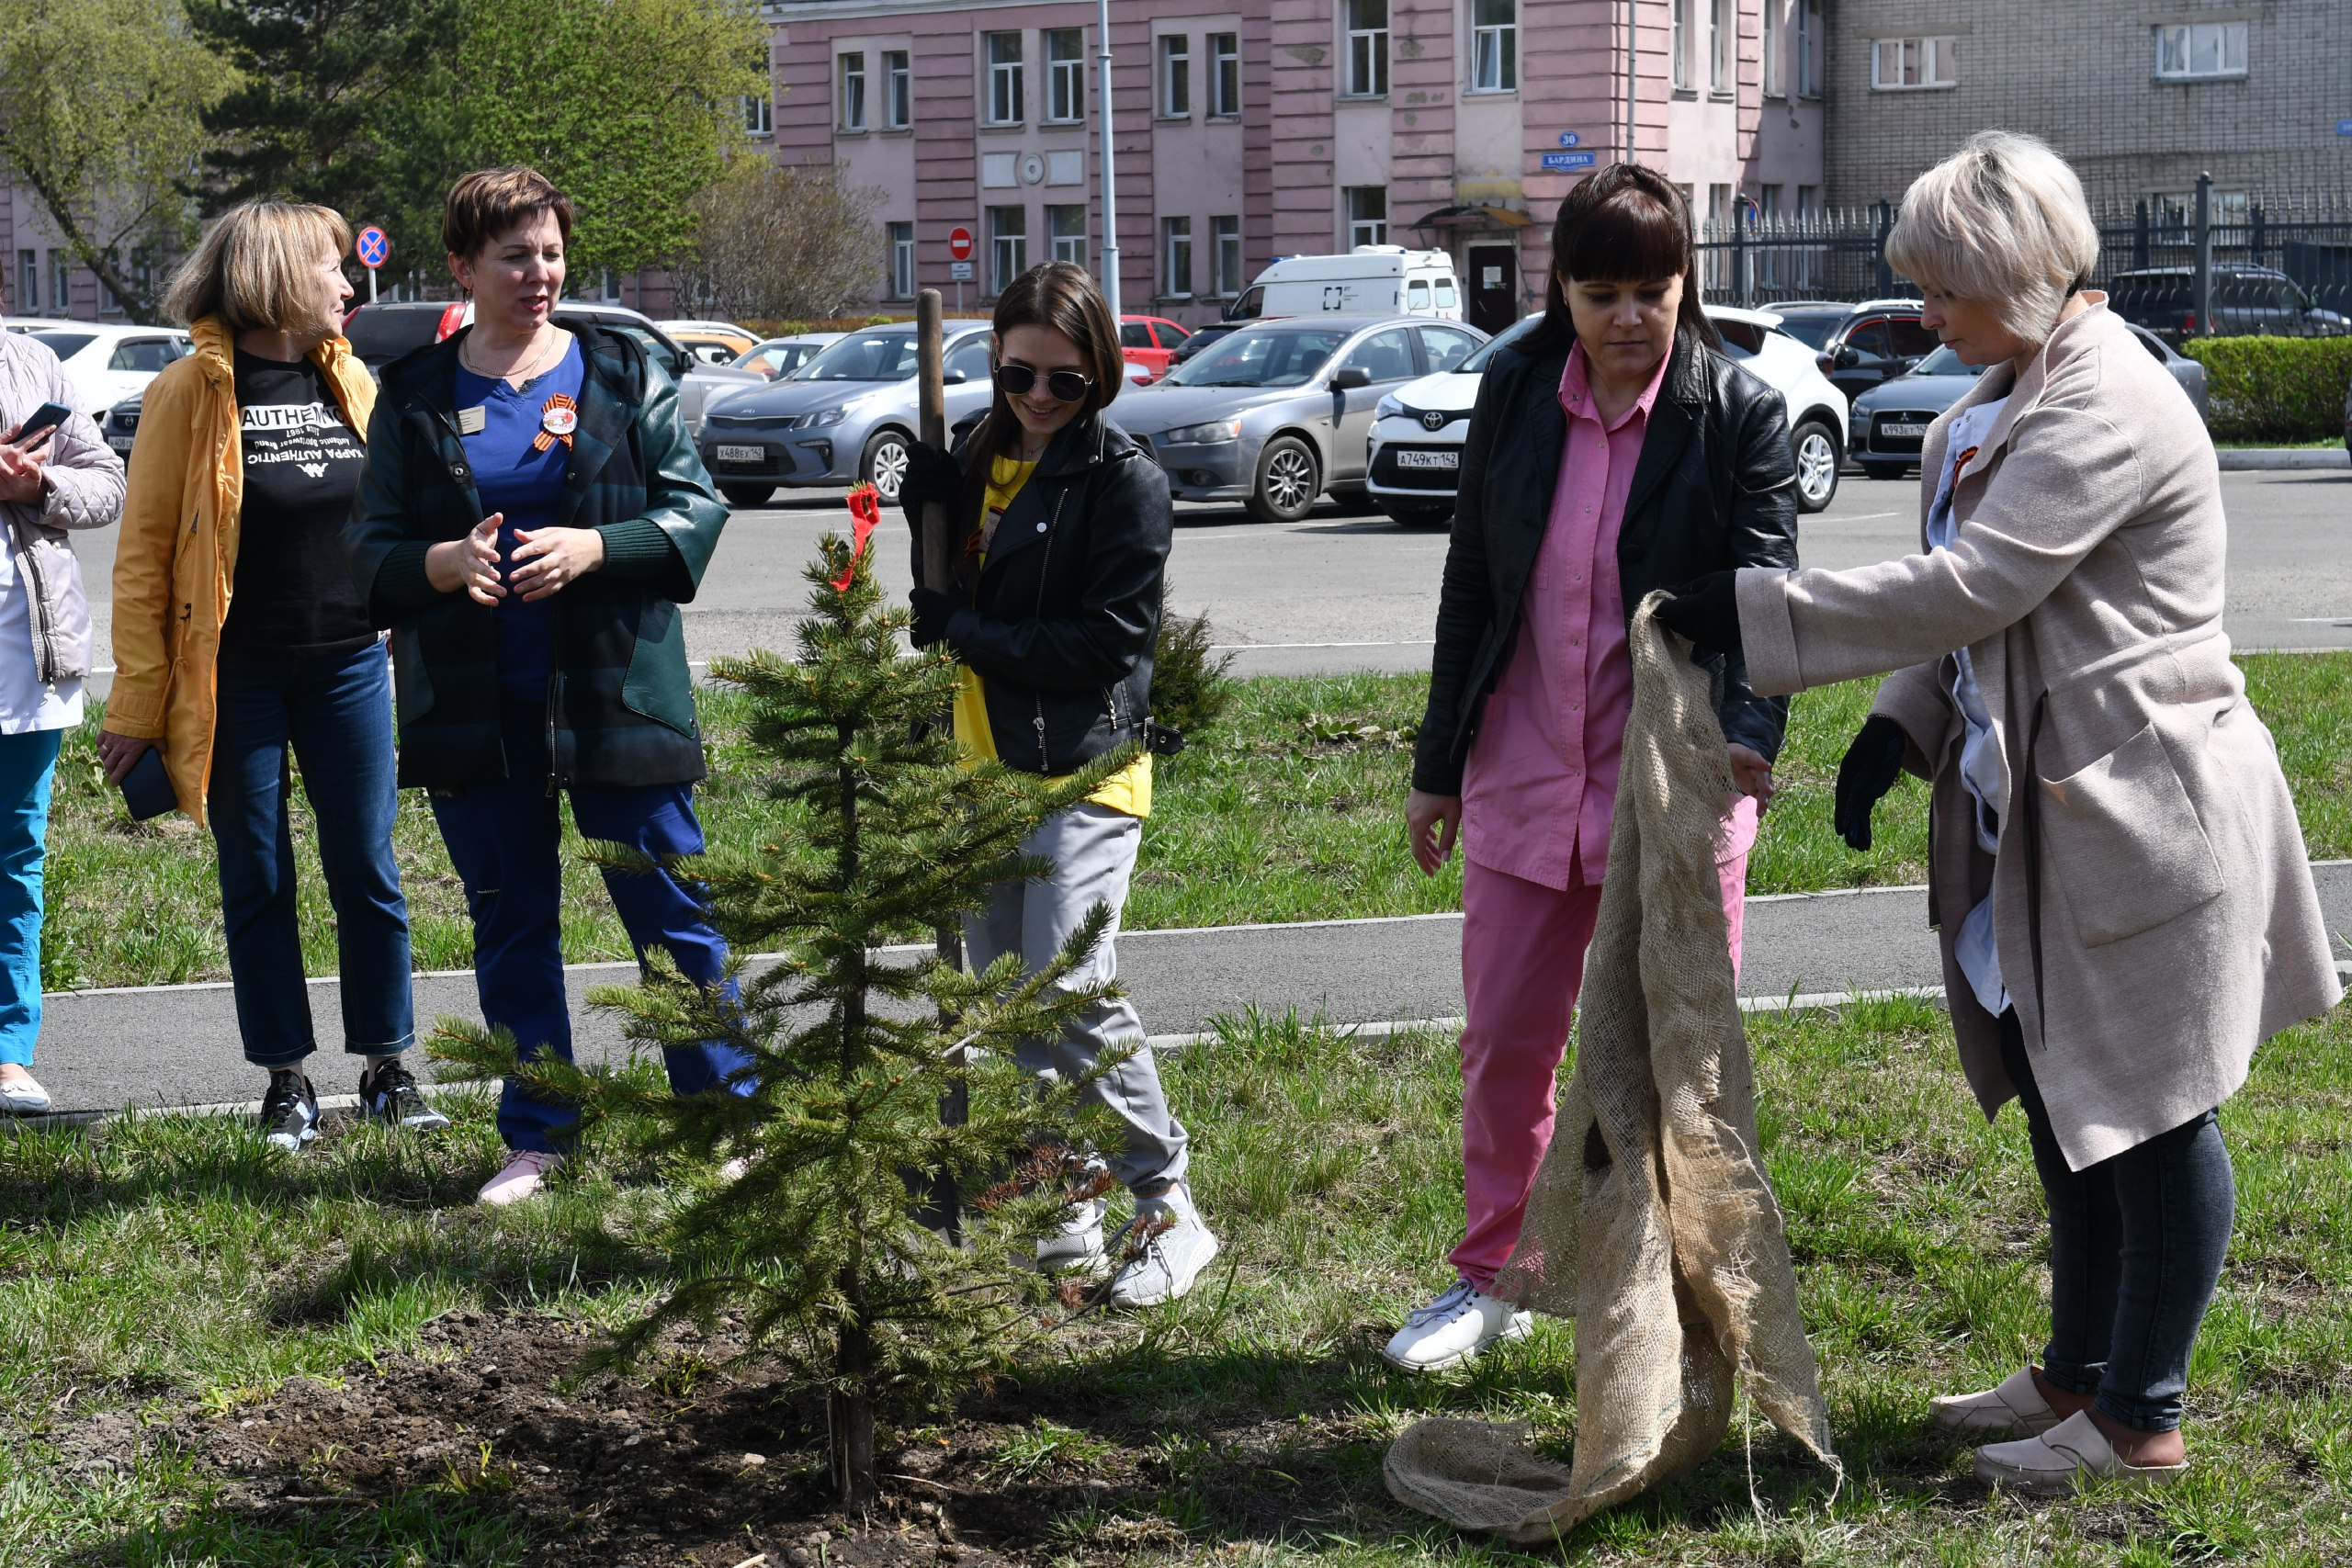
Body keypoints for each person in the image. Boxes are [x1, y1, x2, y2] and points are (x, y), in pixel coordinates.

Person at [1656, 131, 2339, 1493]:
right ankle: (2077, 1370)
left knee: (2153, 1109)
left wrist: (1746, 614)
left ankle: (2140, 1415)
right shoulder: (2015, 386)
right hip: (2051, 811)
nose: (1923, 314)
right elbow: (1975, 609)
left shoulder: (2109, 405)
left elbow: (1977, 584)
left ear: (2018, 278)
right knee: (2066, 1099)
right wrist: (1899, 722)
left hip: (2141, 808)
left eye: (1943, 289)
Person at [1387, 164, 1798, 1373]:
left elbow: (1766, 603)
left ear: (1687, 286)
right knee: (1508, 1040)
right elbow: (1475, 576)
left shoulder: (1738, 414)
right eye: (1601, 289)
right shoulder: (1515, 388)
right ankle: (1492, 1276)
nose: (1628, 316)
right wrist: (1437, 764)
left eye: (1652, 290)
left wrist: (1747, 743)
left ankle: (1665, 1288)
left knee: (1678, 1058)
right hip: (1523, 772)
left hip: (1671, 791)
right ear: (1559, 288)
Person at [345, 166, 748, 1206]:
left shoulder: (621, 371)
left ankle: (718, 1122)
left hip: (617, 698)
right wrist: (440, 565)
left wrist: (595, 547)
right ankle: (539, 1137)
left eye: (552, 253)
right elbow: (367, 555)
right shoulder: (418, 394)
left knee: (673, 915)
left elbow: (694, 511)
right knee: (511, 925)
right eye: (515, 255)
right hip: (477, 711)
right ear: (464, 267)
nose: (539, 274)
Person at [893, 259, 1216, 1307]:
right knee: (1008, 996)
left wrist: (965, 630)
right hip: (983, 764)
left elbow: (1105, 641)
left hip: (1082, 767)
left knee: (1067, 985)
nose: (1036, 398)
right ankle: (1070, 1181)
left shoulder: (1123, 480)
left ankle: (1168, 1202)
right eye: (1018, 374)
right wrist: (924, 523)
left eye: (1062, 383)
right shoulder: (979, 455)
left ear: (1102, 378)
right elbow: (940, 603)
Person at [97, 201, 432, 1150]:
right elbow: (144, 557)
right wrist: (136, 701)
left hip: (348, 667)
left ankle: (386, 1066)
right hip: (234, 676)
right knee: (258, 875)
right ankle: (286, 1080)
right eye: (333, 267)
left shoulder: (352, 378)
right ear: (282, 276)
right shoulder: (188, 391)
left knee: (367, 867)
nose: (349, 285)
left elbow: (390, 524)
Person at [0, 306, 127, 1114]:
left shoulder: (35, 364)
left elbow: (106, 483)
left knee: (17, 862)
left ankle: (9, 1053)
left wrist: (38, 482)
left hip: (28, 672)